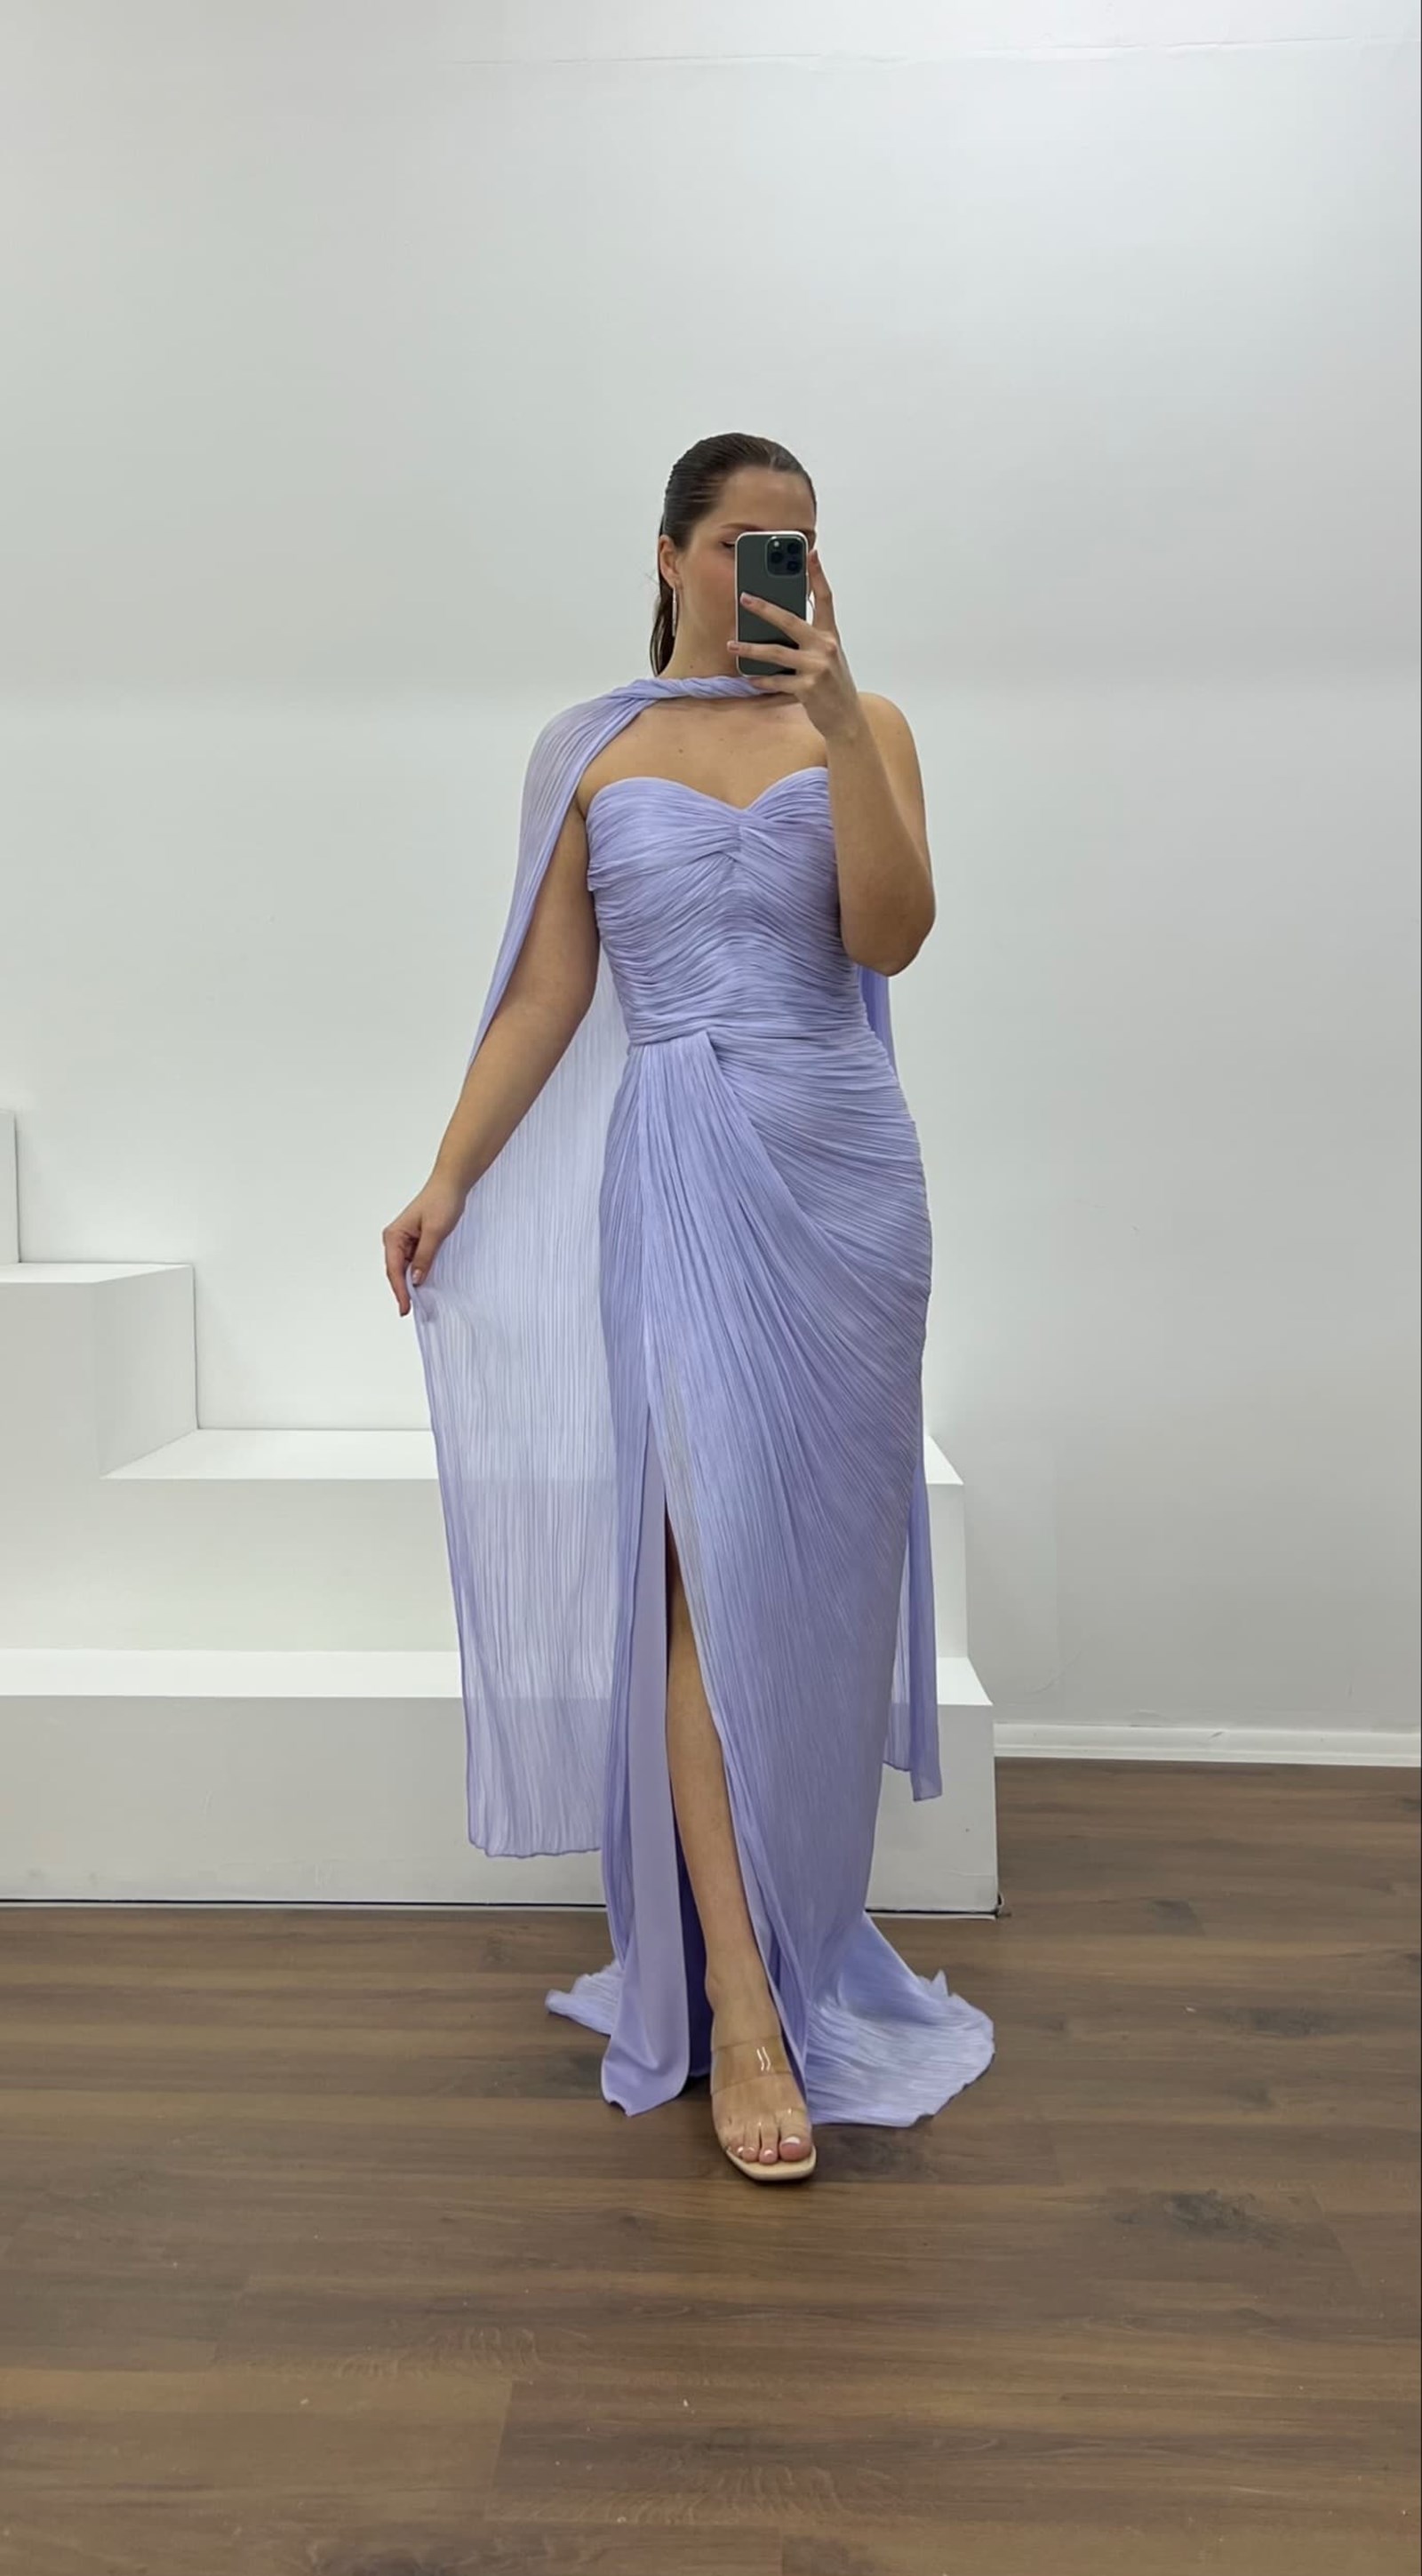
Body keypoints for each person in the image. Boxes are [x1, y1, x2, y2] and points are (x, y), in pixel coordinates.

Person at [383, 432, 994, 2184]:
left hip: (845, 1178)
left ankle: (805, 1932)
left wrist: (841, 718)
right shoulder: (589, 749)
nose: (768, 568)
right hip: (674, 1174)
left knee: (812, 1585)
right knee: (690, 1575)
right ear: (668, 555)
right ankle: (740, 2003)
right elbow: (543, 999)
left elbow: (889, 938)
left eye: (796, 541)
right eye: (739, 540)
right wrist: (449, 1174)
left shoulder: (866, 728)